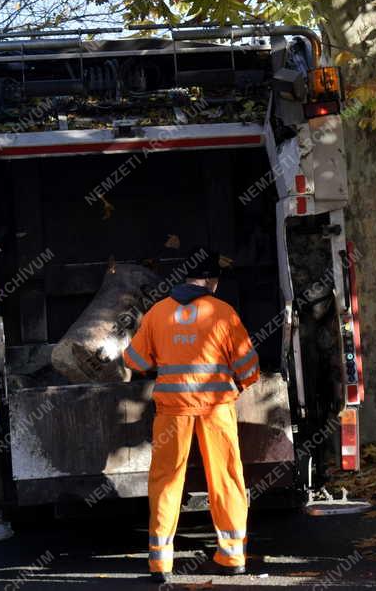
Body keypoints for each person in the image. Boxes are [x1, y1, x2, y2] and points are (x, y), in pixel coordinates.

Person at [122, 249, 259, 583]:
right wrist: (241, 383)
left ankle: (160, 564)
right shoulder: (223, 312)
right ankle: (232, 556)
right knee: (226, 478)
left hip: (173, 412)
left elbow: (134, 361)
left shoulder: (158, 313)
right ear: (211, 282)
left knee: (166, 481)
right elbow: (249, 368)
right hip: (216, 409)